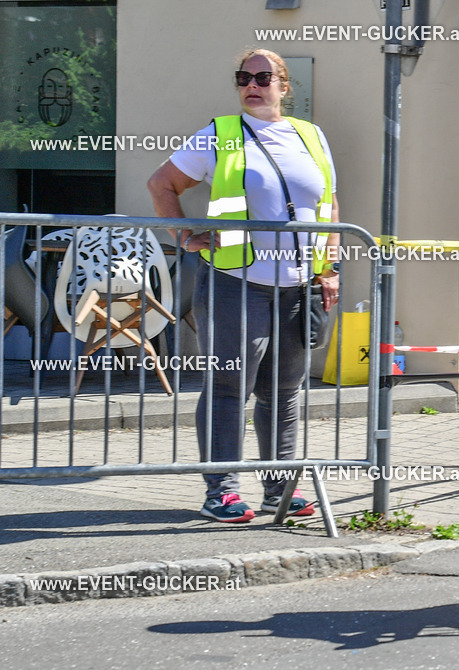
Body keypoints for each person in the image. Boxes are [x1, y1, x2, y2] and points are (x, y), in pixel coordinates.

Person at [147, 48, 340, 523]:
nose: (252, 85)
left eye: (263, 77)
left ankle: (280, 489)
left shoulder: (311, 136)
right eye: (243, 77)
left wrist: (329, 268)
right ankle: (222, 491)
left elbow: (330, 205)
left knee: (284, 390)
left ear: (284, 86)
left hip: (296, 285)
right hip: (236, 281)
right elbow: (161, 184)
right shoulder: (219, 134)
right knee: (229, 385)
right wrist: (185, 236)